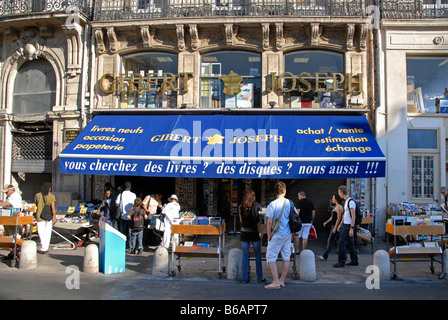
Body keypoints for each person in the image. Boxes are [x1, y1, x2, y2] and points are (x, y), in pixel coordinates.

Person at [265, 182, 291, 289]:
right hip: (288, 233)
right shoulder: (290, 203)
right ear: (284, 191)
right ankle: (282, 280)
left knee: (271, 256)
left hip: (276, 233)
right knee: (286, 257)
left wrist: (268, 234)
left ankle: (275, 281)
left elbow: (269, 221)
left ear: (276, 192)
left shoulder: (273, 204)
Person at [238, 188, 265, 284]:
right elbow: (258, 219)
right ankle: (260, 277)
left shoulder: (241, 207)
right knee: (258, 255)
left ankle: (245, 278)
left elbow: (241, 221)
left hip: (244, 233)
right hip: (253, 232)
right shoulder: (256, 205)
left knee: (245, 255)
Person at [334, 185, 358, 268]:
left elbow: (353, 215)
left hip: (348, 226)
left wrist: (351, 228)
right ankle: (354, 260)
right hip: (345, 225)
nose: (339, 194)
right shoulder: (347, 202)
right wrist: (340, 224)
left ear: (341, 192)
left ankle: (341, 261)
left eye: (339, 192)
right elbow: (345, 215)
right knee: (350, 243)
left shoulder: (351, 202)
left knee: (341, 243)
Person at [319, 193, 343, 261]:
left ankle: (325, 255)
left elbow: (339, 218)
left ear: (336, 199)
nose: (332, 199)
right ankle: (342, 255)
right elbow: (333, 217)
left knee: (330, 240)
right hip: (334, 226)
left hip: (336, 226)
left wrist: (335, 227)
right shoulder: (336, 206)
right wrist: (326, 222)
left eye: (333, 198)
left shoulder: (339, 207)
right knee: (340, 242)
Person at [34, 183, 56, 254]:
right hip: (49, 216)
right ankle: (45, 247)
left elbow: (36, 204)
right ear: (49, 188)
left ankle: (44, 247)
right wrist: (54, 217)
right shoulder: (51, 196)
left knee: (41, 232)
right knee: (48, 232)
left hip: (39, 216)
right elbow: (52, 208)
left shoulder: (38, 195)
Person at [116, 181, 136, 252]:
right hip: (130, 216)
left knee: (123, 233)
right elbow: (135, 205)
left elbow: (116, 204)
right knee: (130, 233)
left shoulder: (120, 195)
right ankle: (130, 247)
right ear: (130, 187)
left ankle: (123, 246)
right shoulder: (133, 195)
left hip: (122, 217)